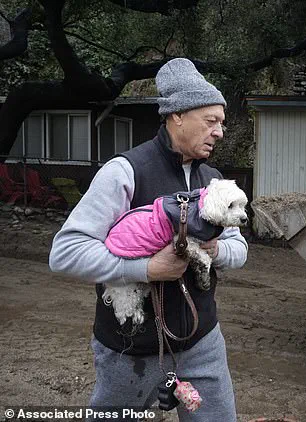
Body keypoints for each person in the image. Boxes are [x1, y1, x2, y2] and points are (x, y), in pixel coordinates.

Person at [49, 58, 247, 421]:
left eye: (221, 122)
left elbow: (239, 249)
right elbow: (65, 252)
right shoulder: (124, 171)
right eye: (211, 121)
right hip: (131, 349)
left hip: (202, 341)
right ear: (177, 116)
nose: (219, 131)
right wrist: (146, 268)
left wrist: (212, 247)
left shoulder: (215, 181)